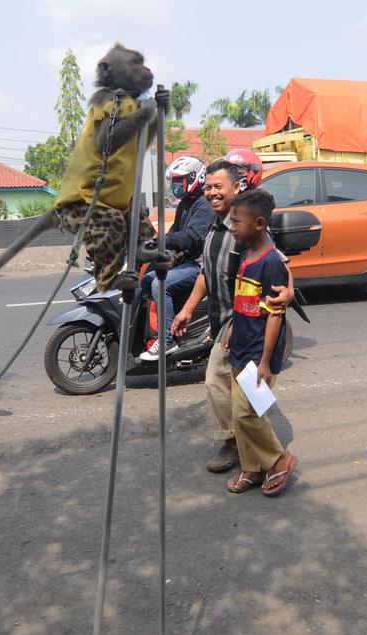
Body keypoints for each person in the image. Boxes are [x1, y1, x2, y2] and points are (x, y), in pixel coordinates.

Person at [171, 150, 292, 474]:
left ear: (237, 187)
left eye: (218, 186)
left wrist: (290, 289)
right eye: (208, 186)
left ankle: (262, 455)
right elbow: (205, 273)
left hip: (248, 326)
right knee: (224, 387)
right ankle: (244, 446)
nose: (211, 192)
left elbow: (277, 260)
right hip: (223, 322)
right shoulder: (214, 226)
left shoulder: (246, 225)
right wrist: (186, 309)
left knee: (244, 392)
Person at [220, 189, 297, 496]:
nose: (232, 227)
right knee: (246, 414)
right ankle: (252, 468)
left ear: (260, 223)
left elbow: (275, 315)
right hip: (240, 345)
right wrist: (232, 327)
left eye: (237, 221)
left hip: (258, 354)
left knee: (245, 413)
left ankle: (279, 460)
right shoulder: (246, 253)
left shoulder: (271, 263)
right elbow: (244, 300)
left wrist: (265, 362)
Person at [139, 156, 216, 361]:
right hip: (188, 262)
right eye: (173, 183)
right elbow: (174, 233)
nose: (174, 187)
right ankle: (158, 328)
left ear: (194, 178)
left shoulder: (204, 206)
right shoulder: (185, 204)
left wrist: (163, 241)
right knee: (146, 281)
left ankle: (166, 341)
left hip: (201, 265)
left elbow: (190, 237)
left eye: (178, 182)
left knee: (160, 284)